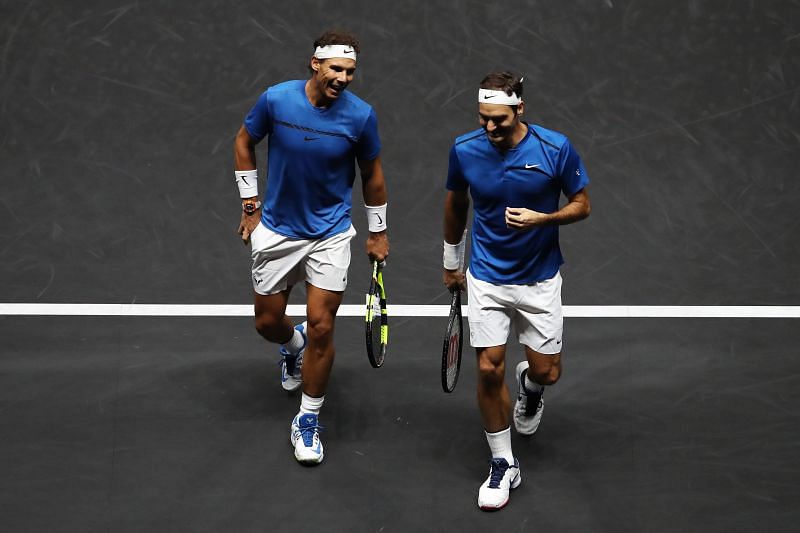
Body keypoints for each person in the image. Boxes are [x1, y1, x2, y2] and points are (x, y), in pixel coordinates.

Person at [233, 30, 389, 465]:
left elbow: (372, 176)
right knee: (267, 323)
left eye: (351, 71)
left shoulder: (360, 117)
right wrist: (250, 204)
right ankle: (293, 347)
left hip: (330, 234)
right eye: (336, 69)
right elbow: (245, 142)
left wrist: (377, 231)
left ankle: (308, 418)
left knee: (323, 326)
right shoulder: (276, 100)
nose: (343, 78)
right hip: (277, 230)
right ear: (315, 64)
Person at [442, 71, 590, 510]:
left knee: (548, 372)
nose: (489, 128)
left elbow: (582, 205)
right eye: (483, 118)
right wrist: (453, 262)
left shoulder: (554, 148)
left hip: (540, 278)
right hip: (486, 277)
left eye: (499, 120)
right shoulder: (465, 149)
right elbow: (455, 204)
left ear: (520, 109)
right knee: (488, 369)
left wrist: (542, 219)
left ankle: (531, 385)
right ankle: (503, 462)